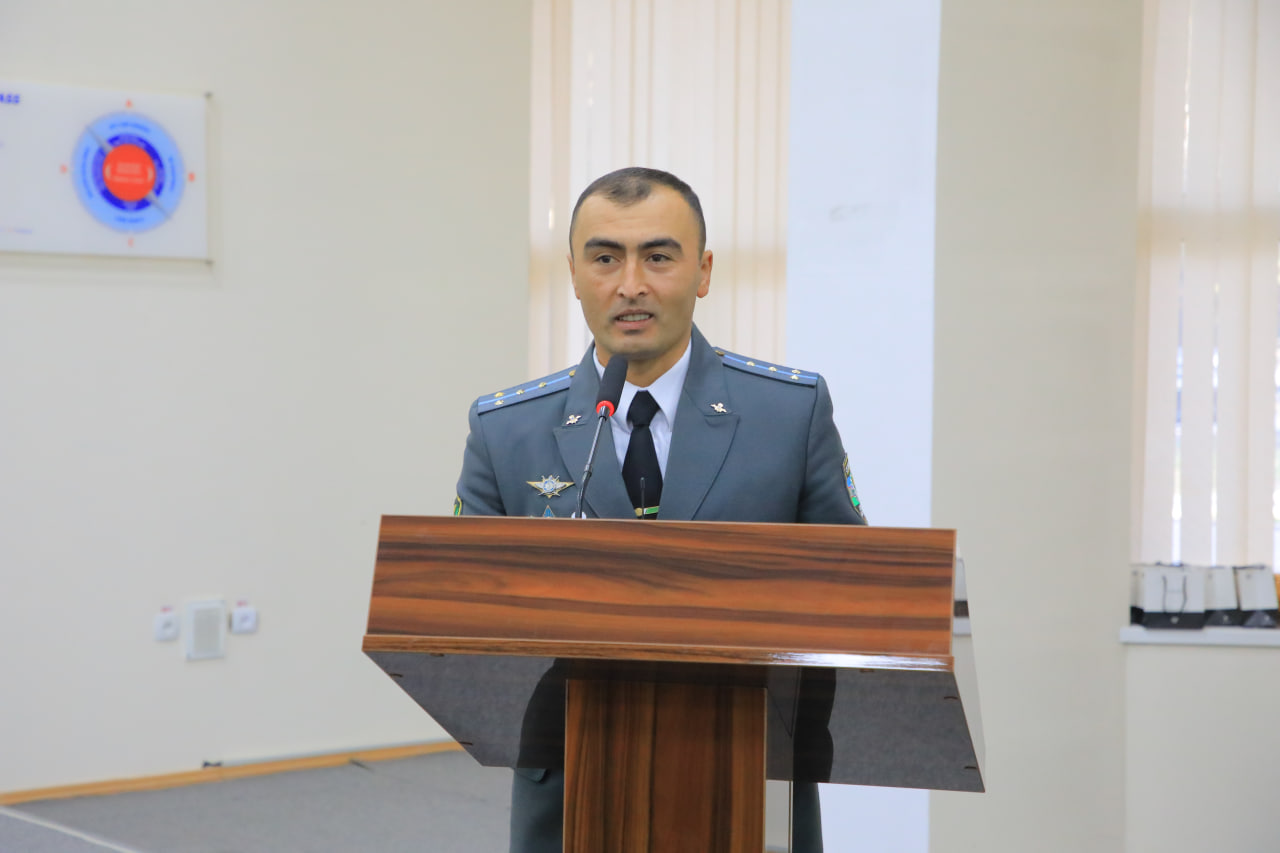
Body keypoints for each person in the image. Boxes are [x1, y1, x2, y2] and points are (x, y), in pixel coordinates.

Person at [454, 166, 866, 853]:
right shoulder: (507, 430)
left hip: (746, 770)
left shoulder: (788, 415)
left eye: (658, 257)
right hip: (572, 778)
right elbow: (462, 618)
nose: (631, 285)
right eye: (605, 258)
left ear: (703, 272)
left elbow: (850, 590)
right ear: (574, 274)